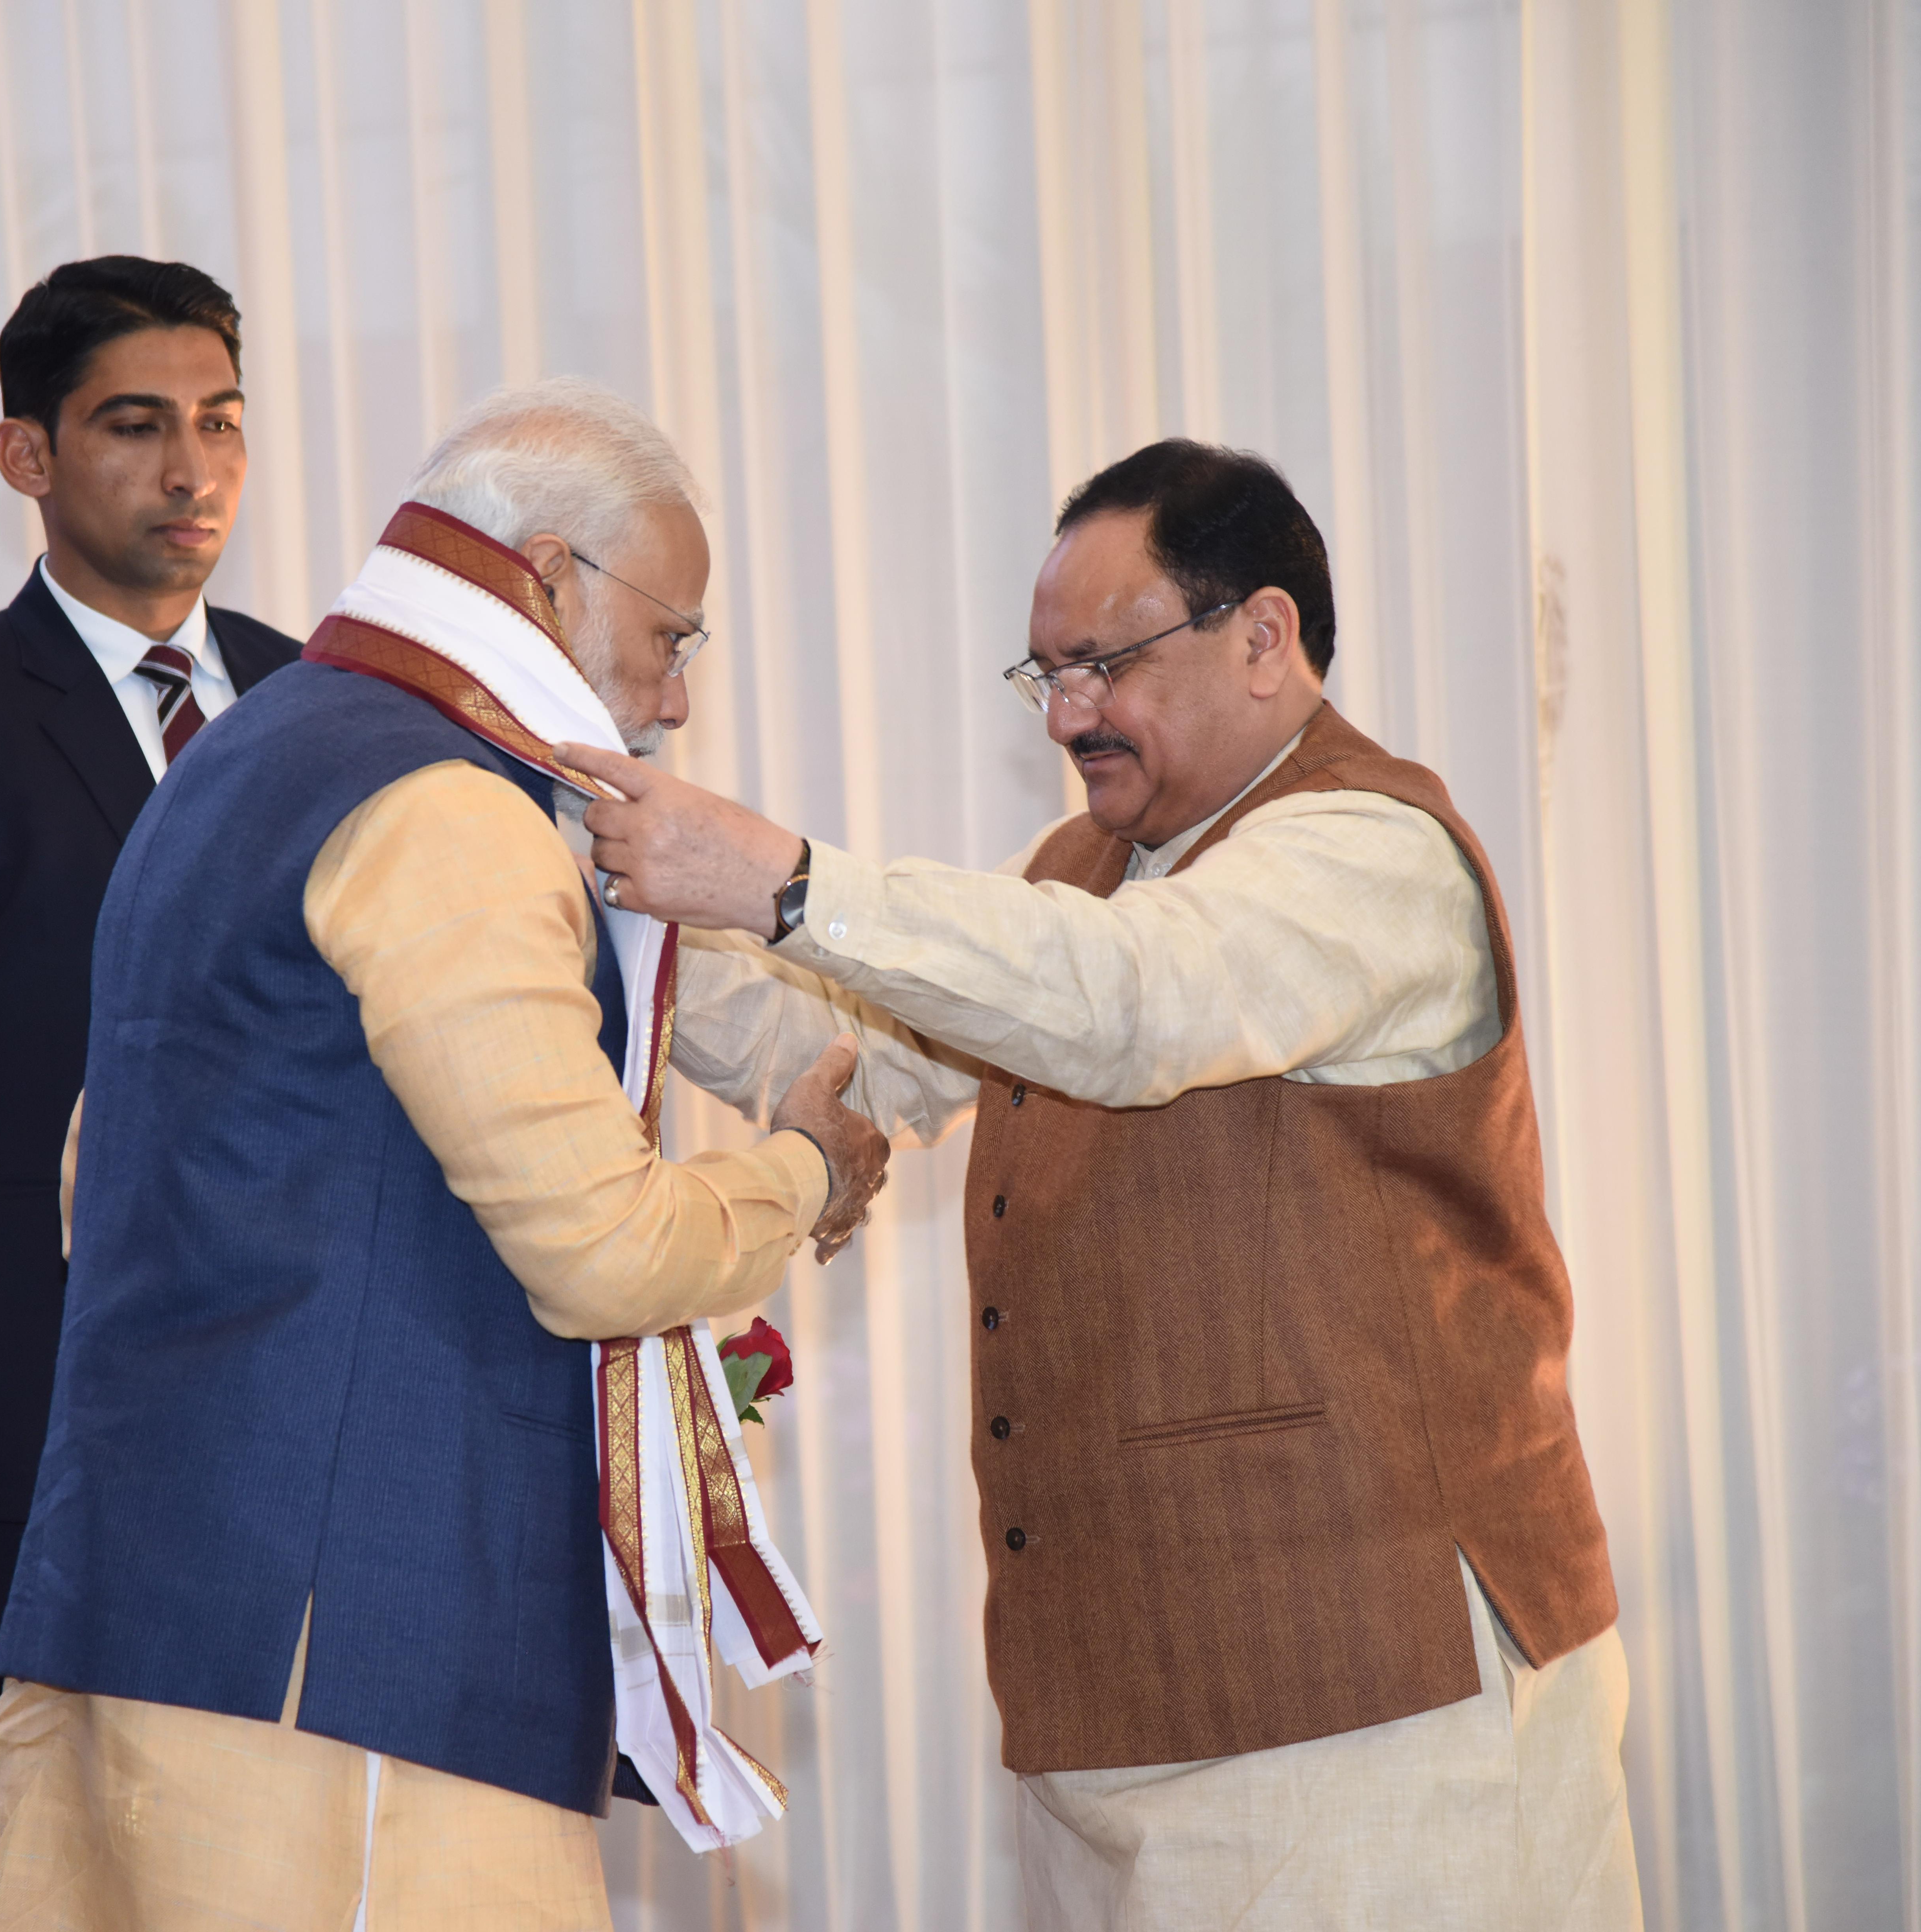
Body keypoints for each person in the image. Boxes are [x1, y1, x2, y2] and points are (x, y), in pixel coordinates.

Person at [559, 440, 1644, 1930]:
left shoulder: (1370, 849)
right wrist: (579, 892)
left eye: (1103, 664)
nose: (1068, 714)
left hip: (1376, 1709)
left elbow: (1136, 1005)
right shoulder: (1085, 873)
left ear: (1263, 636)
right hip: (1113, 1712)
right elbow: (855, 1052)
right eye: (1045, 675)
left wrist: (787, 883)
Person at [0, 380, 888, 1928]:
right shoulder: (443, 809)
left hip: (143, 1606)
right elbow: (599, 1248)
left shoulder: (241, 760)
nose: (670, 702)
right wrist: (801, 1173)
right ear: (544, 577)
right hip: (343, 1663)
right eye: (675, 638)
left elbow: (91, 1181)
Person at [0, 256, 302, 1931]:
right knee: (19, 1884)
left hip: (293, 1449)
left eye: (220, 423)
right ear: (28, 455)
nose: (194, 471)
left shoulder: (325, 708)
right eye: (135, 426)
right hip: (22, 1471)